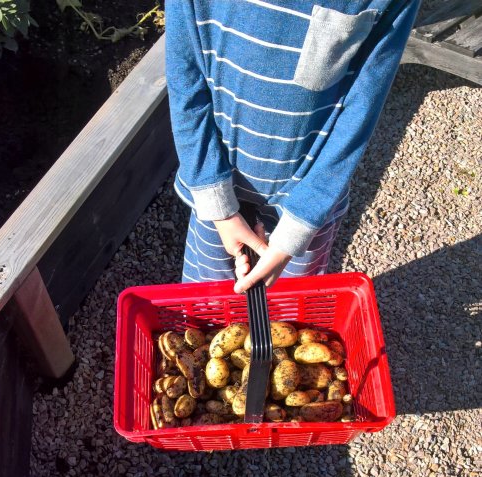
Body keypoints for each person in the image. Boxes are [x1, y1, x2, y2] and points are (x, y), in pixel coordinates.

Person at [165, 0, 420, 293]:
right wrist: (219, 207)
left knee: (290, 307)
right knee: (207, 305)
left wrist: (295, 231)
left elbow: (363, 105)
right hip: (216, 193)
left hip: (303, 204)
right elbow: (184, 76)